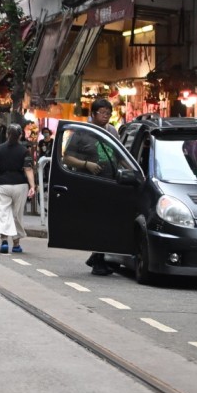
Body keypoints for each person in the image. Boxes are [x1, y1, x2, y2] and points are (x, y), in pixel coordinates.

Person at [63, 98, 119, 276]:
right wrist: (86, 164)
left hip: (111, 182)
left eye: (108, 113)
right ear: (93, 114)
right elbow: (67, 158)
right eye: (102, 113)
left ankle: (97, 256)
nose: (106, 116)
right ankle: (98, 260)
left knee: (108, 221)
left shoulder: (112, 132)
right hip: (91, 183)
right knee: (99, 221)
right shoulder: (81, 133)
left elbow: (120, 154)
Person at [0, 123, 36, 254]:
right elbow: (28, 169)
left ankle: (4, 241)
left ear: (7, 134)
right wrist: (32, 186)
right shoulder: (24, 151)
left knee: (3, 213)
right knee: (17, 214)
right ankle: (16, 244)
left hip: (2, 185)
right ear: (20, 135)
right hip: (20, 185)